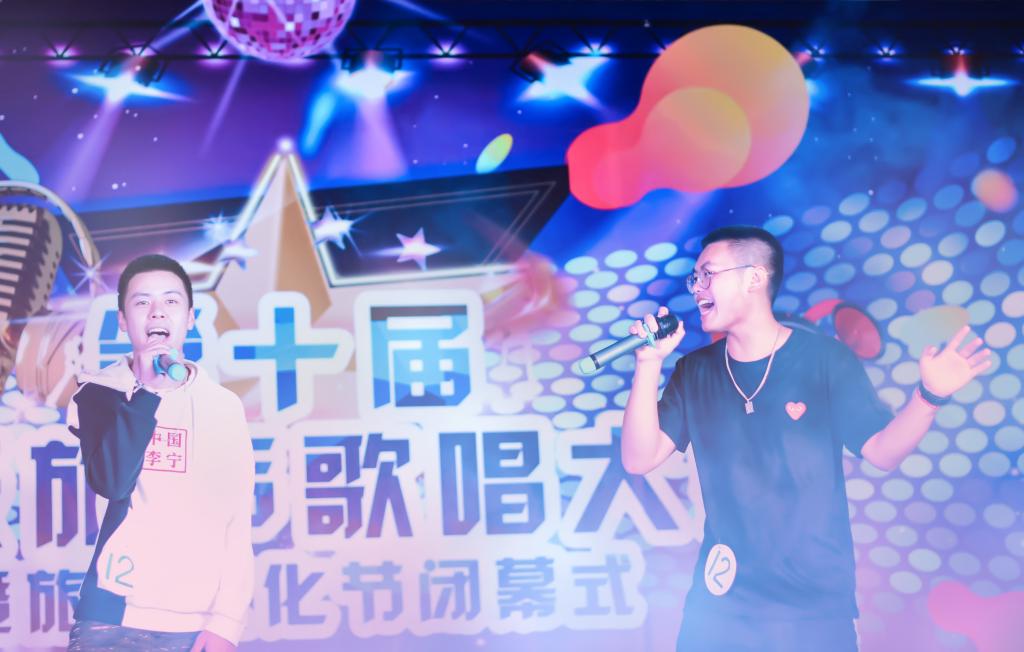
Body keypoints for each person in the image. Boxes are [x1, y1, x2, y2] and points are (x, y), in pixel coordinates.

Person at [621, 226, 991, 652]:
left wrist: (930, 397)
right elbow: (638, 458)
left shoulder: (825, 359)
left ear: (754, 277)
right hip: (719, 605)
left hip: (812, 607)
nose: (697, 288)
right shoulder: (695, 370)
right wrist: (648, 363)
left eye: (708, 274)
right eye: (694, 278)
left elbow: (881, 451)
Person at [66, 254, 255, 651]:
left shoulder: (223, 406)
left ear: (190, 317)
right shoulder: (99, 392)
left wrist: (227, 621)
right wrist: (149, 392)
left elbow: (236, 519)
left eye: (171, 301)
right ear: (122, 320)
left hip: (197, 622)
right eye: (142, 302)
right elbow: (112, 482)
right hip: (113, 617)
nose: (157, 312)